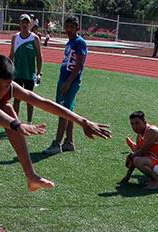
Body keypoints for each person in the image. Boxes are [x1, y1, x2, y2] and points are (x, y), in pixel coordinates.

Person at [0, 54, 111, 212]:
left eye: (6, 85)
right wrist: (16, 124)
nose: (2, 90)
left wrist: (81, 121)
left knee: (5, 107)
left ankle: (31, 176)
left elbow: (40, 101)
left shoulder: (8, 87)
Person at [43, 16, 87, 155]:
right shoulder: (70, 42)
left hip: (70, 81)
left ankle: (57, 144)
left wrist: (68, 82)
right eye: (67, 27)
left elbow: (79, 64)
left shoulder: (80, 42)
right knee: (68, 111)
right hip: (64, 79)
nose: (68, 30)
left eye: (71, 27)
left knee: (62, 111)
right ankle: (69, 142)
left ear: (77, 28)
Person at [120, 111, 158, 190]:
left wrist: (131, 156)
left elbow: (142, 152)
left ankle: (157, 181)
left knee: (137, 159)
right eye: (132, 124)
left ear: (144, 122)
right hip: (157, 161)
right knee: (135, 157)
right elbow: (137, 153)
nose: (134, 126)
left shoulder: (151, 131)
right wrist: (127, 177)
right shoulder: (140, 134)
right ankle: (152, 179)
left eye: (137, 123)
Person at [9, 14, 42, 123]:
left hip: (29, 74)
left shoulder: (35, 38)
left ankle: (29, 122)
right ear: (19, 23)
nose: (24, 24)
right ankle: (15, 122)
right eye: (23, 22)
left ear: (30, 24)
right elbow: (11, 56)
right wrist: (8, 71)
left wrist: (39, 72)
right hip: (17, 74)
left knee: (30, 100)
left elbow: (39, 56)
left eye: (27, 22)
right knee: (17, 99)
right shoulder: (15, 38)